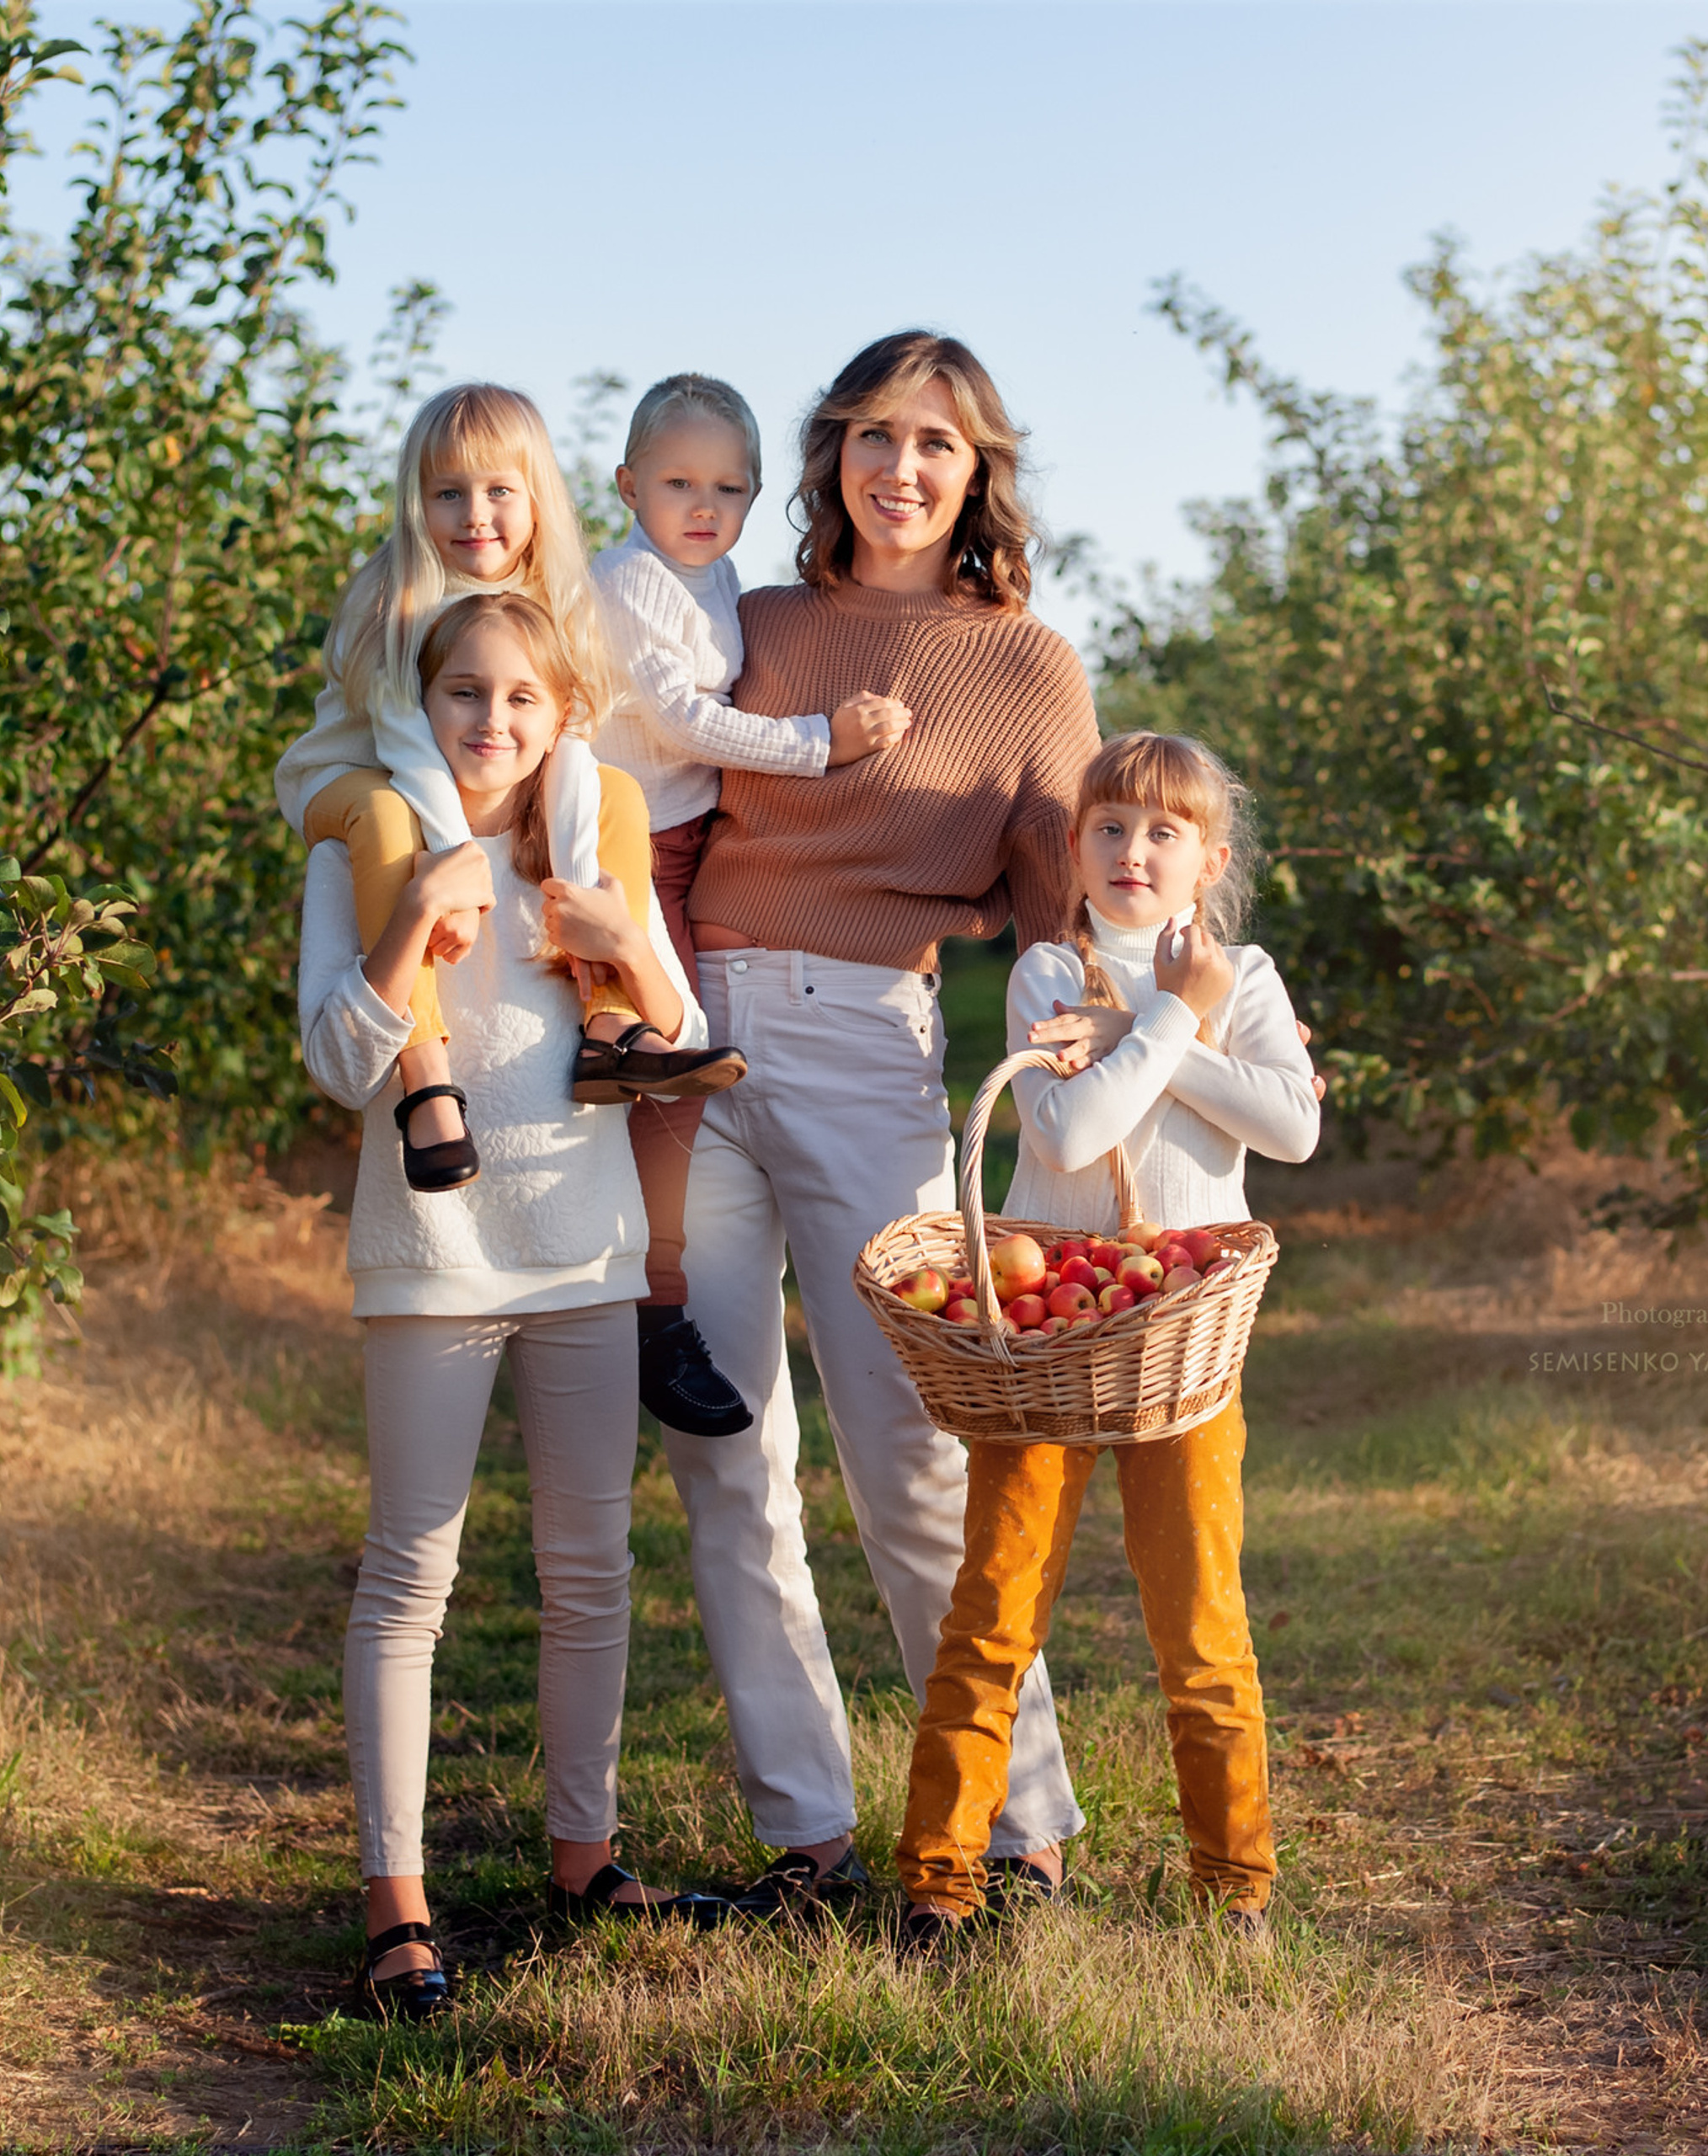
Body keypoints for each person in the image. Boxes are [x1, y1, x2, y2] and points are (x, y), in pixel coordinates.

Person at [668, 331, 1098, 1921]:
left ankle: (1015, 1822)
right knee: (726, 1454)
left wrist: (1159, 1008)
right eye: (872, 435)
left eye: (935, 443)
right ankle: (808, 1837)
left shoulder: (1027, 663)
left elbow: (1068, 894)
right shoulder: (752, 623)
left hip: (866, 1044)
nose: (899, 469)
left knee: (915, 1453)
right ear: (832, 452)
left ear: (978, 473)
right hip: (693, 1040)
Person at [297, 590, 727, 2024]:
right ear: (421, 706)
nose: (493, 720)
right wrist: (413, 923)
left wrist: (626, 941)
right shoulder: (370, 851)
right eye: (465, 693)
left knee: (588, 1569)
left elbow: (677, 1038)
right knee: (410, 1577)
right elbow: (338, 1063)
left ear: (562, 718)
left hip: (586, 1251)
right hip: (431, 1252)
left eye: (523, 698)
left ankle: (584, 1859)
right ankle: (397, 1903)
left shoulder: (589, 845)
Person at [895, 732, 1320, 1952]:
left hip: (1184, 1328)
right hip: (1054, 1322)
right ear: (1075, 850)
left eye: (1165, 832)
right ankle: (939, 1879)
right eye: (1112, 828)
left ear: (1209, 861)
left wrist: (1147, 1023)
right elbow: (1072, 1135)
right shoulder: (1046, 970)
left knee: (1201, 1619)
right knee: (996, 1605)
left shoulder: (1243, 975)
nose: (1136, 850)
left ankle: (1235, 1883)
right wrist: (1174, 1024)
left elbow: (1291, 1128)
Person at [276, 382, 737, 1202]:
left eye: (498, 490)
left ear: (536, 500)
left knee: (616, 791)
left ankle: (610, 1021)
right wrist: (455, 876)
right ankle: (424, 1070)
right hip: (353, 782)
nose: (474, 515)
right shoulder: (397, 600)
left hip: (465, 793)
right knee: (383, 813)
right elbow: (408, 751)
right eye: (447, 494)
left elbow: (569, 747)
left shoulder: (554, 601)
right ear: (416, 504)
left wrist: (579, 889)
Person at [592, 373, 911, 1436]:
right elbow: (684, 720)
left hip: (683, 843)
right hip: (630, 840)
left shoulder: (718, 576)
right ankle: (651, 1310)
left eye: (729, 489)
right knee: (672, 1058)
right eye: (677, 483)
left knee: (669, 1056)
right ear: (627, 484)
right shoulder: (631, 581)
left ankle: (634, 1292)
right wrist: (822, 741)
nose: (703, 506)